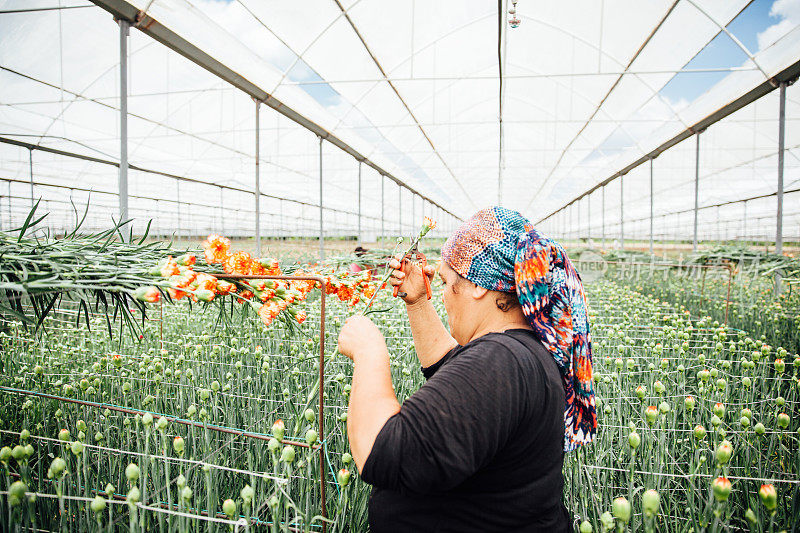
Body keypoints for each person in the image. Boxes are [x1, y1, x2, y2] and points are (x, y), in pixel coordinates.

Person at [337, 207, 597, 532]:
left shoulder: (503, 360)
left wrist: (368, 351)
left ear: (478, 285)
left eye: (446, 281)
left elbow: (385, 453)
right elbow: (454, 365)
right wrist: (417, 302)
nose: (443, 295)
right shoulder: (524, 352)